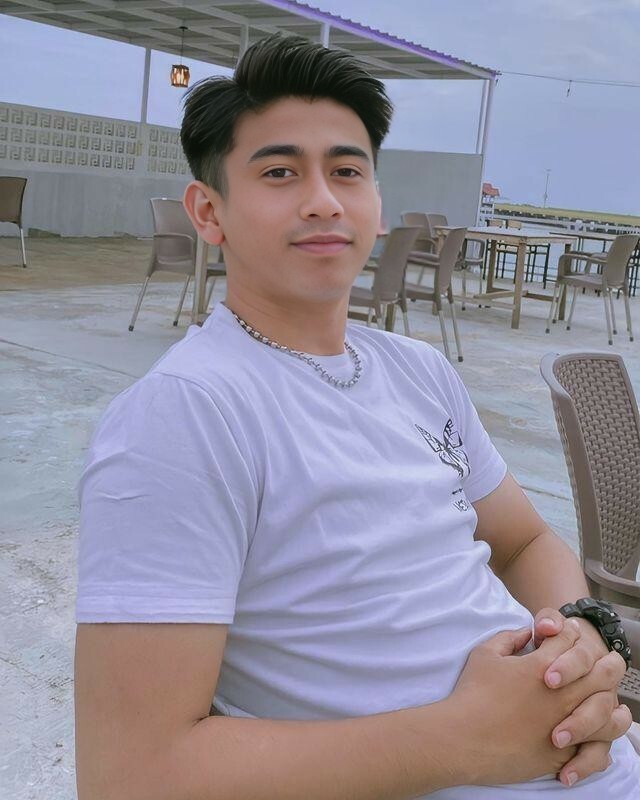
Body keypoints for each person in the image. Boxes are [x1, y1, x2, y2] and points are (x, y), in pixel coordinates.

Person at [74, 34, 639, 800]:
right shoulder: (185, 418)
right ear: (209, 211)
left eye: (347, 171)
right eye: (279, 172)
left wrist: (575, 633)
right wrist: (462, 741)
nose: (324, 200)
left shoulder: (419, 373)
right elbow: (129, 775)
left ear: (375, 201)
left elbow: (524, 539)